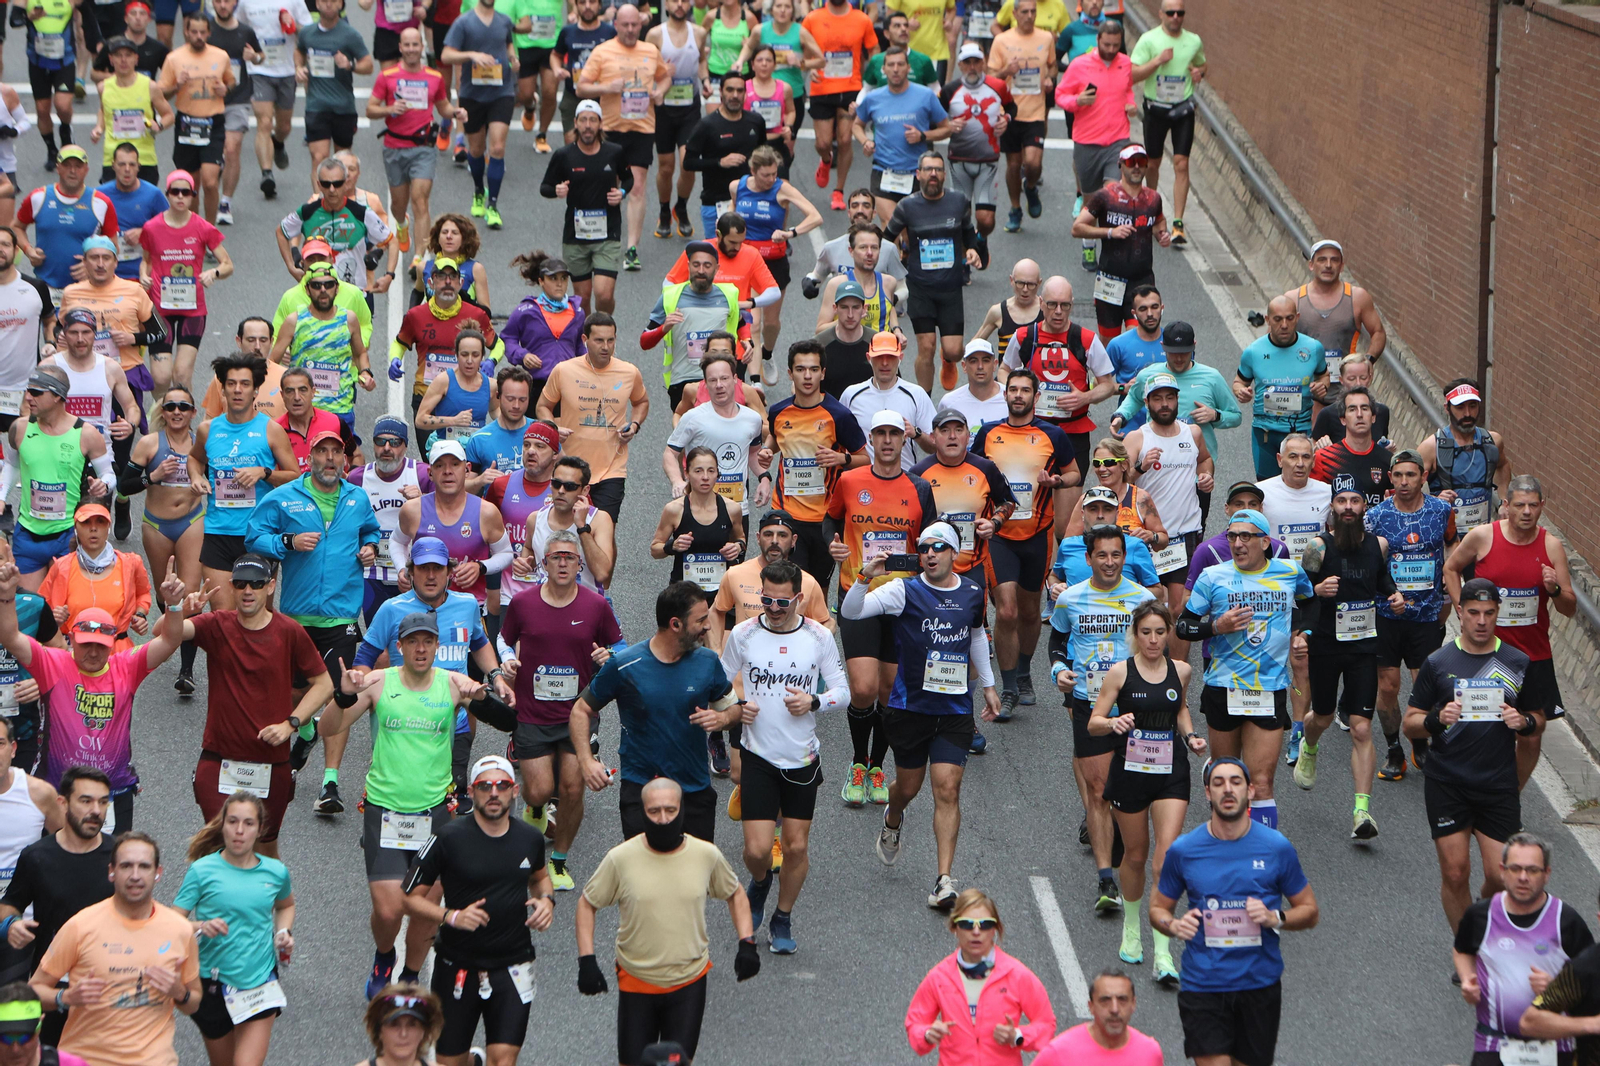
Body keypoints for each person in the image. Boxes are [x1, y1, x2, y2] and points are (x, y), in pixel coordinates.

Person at [319, 611, 509, 997]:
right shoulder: (377, 682)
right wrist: (342, 695)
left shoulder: (452, 684)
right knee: (389, 910)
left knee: (424, 909)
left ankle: (409, 975)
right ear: (399, 646)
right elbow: (329, 727)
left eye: (427, 642)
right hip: (385, 811)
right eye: (412, 642)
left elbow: (508, 723)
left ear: (437, 646)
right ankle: (385, 955)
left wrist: (482, 696)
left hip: (436, 814)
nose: (420, 649)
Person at [846, 521, 1000, 910]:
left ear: (954, 553)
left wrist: (988, 684)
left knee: (947, 789)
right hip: (909, 709)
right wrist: (866, 576)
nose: (929, 554)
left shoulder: (971, 591)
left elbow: (978, 635)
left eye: (938, 547)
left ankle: (944, 880)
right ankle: (893, 815)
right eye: (923, 548)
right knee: (907, 789)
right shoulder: (903, 590)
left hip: (953, 711)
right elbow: (853, 611)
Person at [576, 776, 758, 1066]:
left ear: (682, 809)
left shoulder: (705, 855)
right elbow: (587, 903)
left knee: (679, 1063)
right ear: (642, 812)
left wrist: (746, 942)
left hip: (688, 982)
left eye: (670, 811)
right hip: (637, 982)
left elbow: (735, 893)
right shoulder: (620, 859)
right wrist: (587, 959)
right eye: (654, 811)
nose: (663, 819)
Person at [1149, 758, 1318, 1066]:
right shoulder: (1184, 850)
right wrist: (1172, 926)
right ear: (1207, 794)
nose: (1228, 789)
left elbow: (1309, 911)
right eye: (1218, 783)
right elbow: (1159, 908)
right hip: (1203, 984)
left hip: (1259, 984)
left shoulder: (1276, 848)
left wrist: (1276, 918)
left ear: (1251, 791)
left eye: (1236, 782)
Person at [719, 559, 848, 953]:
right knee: (757, 851)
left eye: (782, 604)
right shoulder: (742, 635)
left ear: (798, 598)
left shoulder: (817, 637)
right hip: (757, 754)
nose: (774, 611)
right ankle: (759, 885)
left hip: (802, 759)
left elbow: (842, 693)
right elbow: (719, 684)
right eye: (767, 602)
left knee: (795, 848)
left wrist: (813, 702)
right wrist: (738, 707)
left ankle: (783, 916)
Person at [1406, 574, 1544, 932]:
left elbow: (1539, 720)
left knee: (1502, 876)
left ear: (1498, 613)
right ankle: (1468, 947)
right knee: (1454, 872)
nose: (1481, 621)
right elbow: (1411, 723)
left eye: (1488, 613)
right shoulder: (1438, 662)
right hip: (1447, 781)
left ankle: (1482, 911)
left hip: (1497, 783)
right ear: (1460, 614)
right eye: (1473, 613)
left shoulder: (1517, 662)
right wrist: (1437, 719)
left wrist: (1524, 721)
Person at [169, 553, 331, 855]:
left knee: (265, 854)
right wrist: (179, 609)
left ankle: (279, 905)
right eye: (241, 584)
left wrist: (291, 724)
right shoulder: (216, 624)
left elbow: (323, 684)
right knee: (217, 851)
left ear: (270, 587)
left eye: (255, 584)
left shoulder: (289, 632)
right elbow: (164, 636)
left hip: (272, 764)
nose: (247, 591)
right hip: (220, 762)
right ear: (231, 587)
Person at [402, 755, 554, 1066]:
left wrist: (546, 901)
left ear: (515, 791)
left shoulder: (529, 838)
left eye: (502, 786)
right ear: (472, 792)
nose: (494, 793)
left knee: (504, 1059)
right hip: (457, 965)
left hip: (513, 963)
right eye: (485, 786)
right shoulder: (448, 838)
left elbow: (540, 878)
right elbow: (409, 898)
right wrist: (451, 916)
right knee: (449, 1062)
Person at [1174, 510, 1313, 830]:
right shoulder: (1213, 577)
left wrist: (1305, 634)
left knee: (1261, 783)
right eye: (1232, 536)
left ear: (1266, 542)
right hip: (1224, 687)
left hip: (1269, 687)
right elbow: (1183, 627)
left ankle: (1261, 854)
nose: (1237, 543)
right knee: (1228, 778)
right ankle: (1226, 845)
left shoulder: (1290, 571)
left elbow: (1310, 602)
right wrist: (1215, 626)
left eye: (1246, 537)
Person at [825, 413, 939, 803]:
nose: (887, 441)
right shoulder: (850, 480)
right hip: (857, 593)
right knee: (863, 688)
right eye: (880, 434)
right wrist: (834, 546)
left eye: (894, 434)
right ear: (871, 439)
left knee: (890, 692)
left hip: (902, 601)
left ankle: (877, 767)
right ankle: (857, 761)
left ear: (903, 439)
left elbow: (933, 542)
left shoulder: (920, 488)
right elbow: (830, 523)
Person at [499, 529, 621, 891]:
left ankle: (558, 860)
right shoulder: (523, 603)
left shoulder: (596, 605)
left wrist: (608, 656)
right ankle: (536, 810)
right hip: (532, 713)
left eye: (570, 557)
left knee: (571, 789)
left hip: (579, 714)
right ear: (544, 564)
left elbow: (621, 644)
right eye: (556, 557)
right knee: (538, 791)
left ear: (579, 564)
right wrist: (506, 661)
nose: (564, 563)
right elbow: (503, 639)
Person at [572, 582, 741, 842]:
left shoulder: (708, 662)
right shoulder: (625, 665)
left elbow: (734, 710)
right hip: (641, 791)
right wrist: (586, 761)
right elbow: (581, 710)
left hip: (694, 791)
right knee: (644, 879)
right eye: (701, 620)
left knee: (694, 879)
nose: (708, 627)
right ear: (675, 624)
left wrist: (722, 718)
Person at [1090, 602, 1200, 984]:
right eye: (1146, 632)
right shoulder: (1120, 672)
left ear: (1169, 632)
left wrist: (1190, 735)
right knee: (1135, 857)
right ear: (1135, 635)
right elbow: (1094, 723)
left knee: (1164, 858)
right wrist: (1113, 722)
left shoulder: (1181, 670)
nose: (1153, 640)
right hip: (1131, 773)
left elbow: (1181, 710)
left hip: (1171, 771)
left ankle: (1164, 951)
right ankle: (1132, 928)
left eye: (1159, 632)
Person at [1292, 477, 1405, 841]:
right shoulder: (1317, 548)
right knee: (1322, 716)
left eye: (1355, 501)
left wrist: (1395, 596)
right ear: (1333, 507)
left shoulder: (1378, 545)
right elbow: (1299, 595)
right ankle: (1309, 745)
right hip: (1326, 644)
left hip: (1362, 645)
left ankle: (1361, 811)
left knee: (1360, 726)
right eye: (1341, 501)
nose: (1348, 507)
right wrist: (1317, 591)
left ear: (1363, 507)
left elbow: (1382, 581)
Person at [1048, 524, 1154, 914]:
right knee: (1097, 790)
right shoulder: (1071, 599)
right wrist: (1057, 670)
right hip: (1088, 705)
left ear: (1124, 558)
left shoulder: (1141, 599)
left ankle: (1123, 845)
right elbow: (1057, 641)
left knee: (1131, 789)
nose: (1109, 562)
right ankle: (1106, 879)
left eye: (1116, 555)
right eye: (1101, 555)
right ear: (1088, 559)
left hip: (1136, 706)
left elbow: (1156, 644)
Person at [1445, 475, 1575, 790]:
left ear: (1542, 506)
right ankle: (1473, 788)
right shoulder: (1482, 537)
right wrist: (1461, 607)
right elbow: (1451, 567)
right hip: (1484, 654)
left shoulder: (1551, 546)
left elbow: (1568, 607)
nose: (1527, 512)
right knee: (1481, 729)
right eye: (1520, 505)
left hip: (1532, 656)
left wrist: (1554, 588)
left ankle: (1510, 794)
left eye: (1533, 505)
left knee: (1530, 736)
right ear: (1507, 506)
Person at [29, 833, 202, 1066]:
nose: (135, 876)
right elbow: (33, 992)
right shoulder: (81, 926)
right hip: (87, 1060)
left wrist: (179, 992)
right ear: (112, 871)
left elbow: (194, 1002)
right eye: (126, 866)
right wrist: (65, 996)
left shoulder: (179, 929)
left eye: (144, 867)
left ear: (157, 873)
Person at [974, 369, 1076, 717]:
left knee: (1031, 610)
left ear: (1036, 396)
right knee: (1006, 610)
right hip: (999, 536)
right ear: (1006, 395)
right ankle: (1008, 686)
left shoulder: (1053, 434)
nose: (1018, 395)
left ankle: (1024, 670)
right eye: (1013, 389)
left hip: (1037, 535)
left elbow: (1075, 472)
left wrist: (1058, 481)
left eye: (1025, 390)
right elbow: (971, 471)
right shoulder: (988, 434)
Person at [173, 792, 295, 1066]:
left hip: (259, 981)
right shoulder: (202, 871)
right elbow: (171, 922)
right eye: (233, 822)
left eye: (249, 823)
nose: (239, 831)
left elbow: (286, 905)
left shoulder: (275, 872)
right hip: (210, 983)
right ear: (223, 825)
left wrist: (283, 932)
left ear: (260, 829)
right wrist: (200, 926)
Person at [1451, 833, 1594, 1065]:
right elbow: (1462, 950)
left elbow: (1592, 985)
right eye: (1515, 869)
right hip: (1494, 1042)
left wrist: (1559, 990)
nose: (1523, 877)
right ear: (1502, 870)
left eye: (1532, 870)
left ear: (1547, 874)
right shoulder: (1481, 916)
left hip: (1554, 1047)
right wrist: (1468, 978)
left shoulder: (1566, 921)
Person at [1367, 449, 1455, 781]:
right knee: (1388, 687)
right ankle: (1394, 751)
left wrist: (1449, 590)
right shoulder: (1376, 516)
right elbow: (1369, 562)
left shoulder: (1442, 510)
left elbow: (1454, 545)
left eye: (1411, 475)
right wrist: (1389, 593)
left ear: (1423, 477)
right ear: (1390, 478)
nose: (1405, 482)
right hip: (1388, 615)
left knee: (1427, 688)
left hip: (1427, 615)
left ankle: (1420, 743)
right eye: (1399, 476)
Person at [189, 353, 300, 610]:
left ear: (255, 390)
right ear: (223, 389)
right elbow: (194, 459)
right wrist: (196, 477)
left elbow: (295, 476)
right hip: (218, 533)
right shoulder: (208, 429)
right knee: (223, 619)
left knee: (257, 618)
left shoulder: (271, 429)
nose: (237, 390)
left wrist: (265, 473)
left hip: (259, 534)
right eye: (231, 384)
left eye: (245, 384)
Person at [1001, 276, 1115, 508]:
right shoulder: (1025, 336)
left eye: (1065, 305)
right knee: (1028, 506)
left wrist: (1085, 397)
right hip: (1031, 431)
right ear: (1041, 303)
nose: (1058, 311)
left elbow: (1108, 384)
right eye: (1052, 304)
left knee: (1066, 520)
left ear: (1072, 305)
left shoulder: (1086, 339)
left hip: (1073, 432)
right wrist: (1017, 392)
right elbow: (1003, 371)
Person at [1110, 320, 1240, 523]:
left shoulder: (1211, 377)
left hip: (1194, 470)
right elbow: (1134, 398)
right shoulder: (1148, 375)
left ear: (1194, 346)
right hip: (1155, 470)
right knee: (1148, 527)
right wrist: (1120, 417)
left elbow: (1236, 416)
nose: (1179, 358)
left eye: (1185, 352)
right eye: (1172, 352)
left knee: (1195, 528)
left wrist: (1215, 416)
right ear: (1163, 347)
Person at [904, 889, 1056, 1062]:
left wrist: (1018, 1035)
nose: (976, 931)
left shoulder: (1017, 974)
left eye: (985, 924)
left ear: (995, 930)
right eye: (967, 924)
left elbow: (1046, 1024)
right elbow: (914, 1023)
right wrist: (927, 1034)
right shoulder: (939, 977)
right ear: (955, 928)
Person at [0, 366, 115, 593]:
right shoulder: (20, 428)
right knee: (30, 609)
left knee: (64, 608)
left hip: (67, 534)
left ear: (57, 396)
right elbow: (12, 464)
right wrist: (2, 496)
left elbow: (109, 475)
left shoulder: (86, 433)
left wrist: (104, 485)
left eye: (36, 392)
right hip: (28, 533)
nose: (28, 397)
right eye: (28, 391)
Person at [764, 339, 866, 591]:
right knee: (788, 585)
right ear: (790, 373)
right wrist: (767, 451)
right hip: (786, 514)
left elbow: (866, 459)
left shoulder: (838, 415)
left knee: (816, 589)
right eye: (800, 369)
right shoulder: (779, 412)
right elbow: (777, 440)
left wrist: (842, 459)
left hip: (824, 520)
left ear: (823, 372)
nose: (807, 376)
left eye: (813, 369)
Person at [575, 4, 671, 273]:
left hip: (642, 128)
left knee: (638, 187)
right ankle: (605, 238)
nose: (630, 30)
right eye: (625, 25)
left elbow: (664, 78)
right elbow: (581, 86)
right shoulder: (602, 51)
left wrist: (660, 91)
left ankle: (631, 248)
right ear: (616, 25)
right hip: (611, 129)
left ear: (641, 26)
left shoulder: (650, 51)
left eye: (634, 25)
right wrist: (607, 87)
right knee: (611, 186)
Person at [1121, 372, 1210, 638]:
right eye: (1157, 398)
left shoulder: (1192, 432)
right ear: (1147, 403)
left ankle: (1174, 665)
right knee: (1148, 606)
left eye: (1169, 398)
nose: (1164, 404)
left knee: (1179, 607)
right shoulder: (1136, 438)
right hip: (1148, 536)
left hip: (1185, 533)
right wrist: (1140, 467)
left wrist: (1206, 476)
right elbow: (1118, 484)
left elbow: (1204, 459)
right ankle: (1149, 661)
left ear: (1177, 400)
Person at [884, 150, 981, 391]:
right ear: (919, 174)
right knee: (925, 347)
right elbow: (887, 239)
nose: (933, 174)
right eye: (928, 169)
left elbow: (969, 233)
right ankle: (924, 401)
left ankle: (948, 360)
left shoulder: (958, 201)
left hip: (950, 288)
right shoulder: (907, 206)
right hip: (920, 287)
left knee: (955, 350)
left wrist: (973, 250)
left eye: (938, 169)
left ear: (944, 175)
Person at [1055, 20, 1142, 272]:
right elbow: (1061, 95)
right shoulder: (1079, 65)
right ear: (1098, 41)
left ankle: (1112, 249)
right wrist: (1077, 100)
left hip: (1117, 139)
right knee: (1091, 200)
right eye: (1107, 44)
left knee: (1113, 195)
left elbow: (1127, 91)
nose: (1111, 49)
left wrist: (1131, 105)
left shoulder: (1125, 63)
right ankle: (1089, 243)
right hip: (1086, 141)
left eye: (1116, 45)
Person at [729, 145, 822, 378]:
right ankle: (755, 380)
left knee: (771, 323)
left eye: (774, 174)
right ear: (753, 170)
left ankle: (767, 354)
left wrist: (790, 233)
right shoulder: (737, 187)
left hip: (774, 263)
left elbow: (815, 216)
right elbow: (729, 218)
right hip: (745, 261)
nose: (771, 179)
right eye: (765, 175)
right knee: (754, 323)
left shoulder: (783, 189)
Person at [367, 27, 456, 265]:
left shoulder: (434, 77)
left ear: (422, 47)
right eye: (406, 45)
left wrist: (456, 112)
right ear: (400, 48)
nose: (411, 49)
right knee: (398, 205)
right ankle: (402, 223)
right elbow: (370, 108)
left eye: (415, 45)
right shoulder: (387, 76)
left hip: (424, 147)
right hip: (394, 146)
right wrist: (389, 109)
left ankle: (420, 256)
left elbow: (443, 106)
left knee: (420, 200)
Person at [1071, 145, 1170, 345]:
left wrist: (1162, 235)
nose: (1136, 167)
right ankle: (1106, 376)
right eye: (1130, 162)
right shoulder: (1105, 196)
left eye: (1141, 162)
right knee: (1110, 341)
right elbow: (1077, 228)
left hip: (1142, 280)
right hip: (1110, 279)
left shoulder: (1153, 198)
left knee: (1138, 336)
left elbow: (1159, 221)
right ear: (1120, 166)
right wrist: (1109, 232)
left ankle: (1135, 377)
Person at [539, 100, 629, 316]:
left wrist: (622, 193)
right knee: (583, 299)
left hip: (608, 233)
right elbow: (545, 187)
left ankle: (606, 327)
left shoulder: (614, 152)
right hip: (576, 236)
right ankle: (589, 339)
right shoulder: (564, 155)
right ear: (576, 124)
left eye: (592, 120)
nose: (588, 125)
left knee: (604, 295)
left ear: (600, 124)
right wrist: (557, 190)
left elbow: (628, 179)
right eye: (583, 120)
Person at [1130, 0, 1205, 243]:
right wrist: (1157, 62)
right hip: (1156, 108)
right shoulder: (1149, 40)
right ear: (1161, 14)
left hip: (1183, 108)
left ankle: (1178, 223)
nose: (1175, 17)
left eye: (1180, 13)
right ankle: (1152, 211)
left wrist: (1199, 73)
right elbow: (1131, 75)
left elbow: (1202, 65)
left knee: (1181, 164)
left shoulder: (1193, 40)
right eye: (1170, 12)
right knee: (1152, 163)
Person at [390, 258, 498, 423]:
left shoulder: (476, 315)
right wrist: (395, 359)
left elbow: (498, 345)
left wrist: (492, 360)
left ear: (461, 283)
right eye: (441, 277)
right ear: (430, 283)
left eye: (453, 277)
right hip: (425, 394)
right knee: (428, 449)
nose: (448, 282)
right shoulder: (415, 315)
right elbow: (399, 343)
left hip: (462, 397)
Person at [1232, 294, 1328, 479]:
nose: (1284, 325)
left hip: (1300, 432)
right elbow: (1239, 381)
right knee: (1267, 488)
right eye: (1277, 319)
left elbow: (1324, 375)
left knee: (1299, 485)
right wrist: (1241, 391)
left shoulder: (1313, 348)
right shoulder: (1253, 352)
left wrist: (1322, 385)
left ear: (1297, 318)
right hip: (1265, 433)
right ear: (1268, 320)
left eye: (1289, 318)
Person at [440, 0, 517, 229]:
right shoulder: (463, 22)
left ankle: (493, 205)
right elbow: (445, 56)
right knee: (475, 149)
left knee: (497, 148)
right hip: (472, 94)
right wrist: (472, 55)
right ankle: (478, 190)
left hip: (502, 92)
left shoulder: (504, 21)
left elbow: (509, 43)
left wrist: (512, 58)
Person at [644, 241, 747, 409]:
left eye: (707, 266)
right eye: (696, 265)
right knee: (689, 433)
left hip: (720, 379)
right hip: (683, 380)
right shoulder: (671, 297)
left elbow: (741, 323)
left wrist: (747, 341)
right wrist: (663, 328)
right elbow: (644, 341)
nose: (701, 270)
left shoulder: (728, 295)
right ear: (688, 266)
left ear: (716, 268)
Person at [855, 49, 951, 226]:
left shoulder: (925, 95)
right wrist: (865, 141)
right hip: (884, 170)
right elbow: (857, 125)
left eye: (900, 64)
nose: (896, 69)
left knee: (914, 228)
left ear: (908, 68)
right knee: (891, 223)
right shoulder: (874, 98)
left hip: (917, 173)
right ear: (884, 69)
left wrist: (923, 135)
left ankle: (906, 252)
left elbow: (947, 128)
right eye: (891, 65)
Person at [37, 503, 150, 653]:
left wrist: (140, 614)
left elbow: (143, 593)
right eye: (86, 522)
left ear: (108, 527)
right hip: (73, 654)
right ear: (76, 528)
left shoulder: (130, 564)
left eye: (100, 522)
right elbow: (39, 609)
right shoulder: (61, 567)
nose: (93, 528)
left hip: (117, 654)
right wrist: (53, 619)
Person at [271, 264, 373, 426]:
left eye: (329, 284)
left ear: (337, 288)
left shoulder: (349, 319)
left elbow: (360, 353)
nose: (323, 289)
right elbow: (272, 363)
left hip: (340, 407)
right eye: (316, 286)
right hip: (304, 408)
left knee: (342, 451)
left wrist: (366, 372)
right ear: (307, 290)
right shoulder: (294, 321)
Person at [15, 145, 118, 305]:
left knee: (83, 331)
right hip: (46, 286)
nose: (73, 171)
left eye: (78, 166)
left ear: (86, 169)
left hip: (87, 288)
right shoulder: (38, 197)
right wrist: (29, 251)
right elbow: (17, 227)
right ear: (58, 168)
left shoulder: (101, 202)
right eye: (67, 165)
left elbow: (114, 247)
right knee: (49, 329)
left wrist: (93, 267)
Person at [276, 156, 393, 297]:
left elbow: (392, 241)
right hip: (318, 295)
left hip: (355, 294)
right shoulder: (307, 211)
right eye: (326, 184)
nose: (332, 189)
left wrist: (389, 275)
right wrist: (291, 267)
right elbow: (281, 231)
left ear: (345, 183)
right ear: (319, 185)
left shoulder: (361, 212)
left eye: (337, 184)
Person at [156, 15, 234, 225]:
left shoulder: (221, 56)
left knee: (210, 182)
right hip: (186, 123)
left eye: (202, 32)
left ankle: (209, 231)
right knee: (192, 185)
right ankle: (194, 228)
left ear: (209, 33)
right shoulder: (174, 58)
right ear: (186, 32)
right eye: (194, 32)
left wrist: (224, 89)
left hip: (213, 122)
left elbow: (231, 81)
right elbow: (162, 92)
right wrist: (177, 85)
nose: (198, 36)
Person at [0, 719, 61, 984]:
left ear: (13, 749)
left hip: (21, 925)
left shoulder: (38, 794)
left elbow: (67, 847)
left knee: (14, 1017)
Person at [802, 0, 877, 212]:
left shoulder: (861, 19)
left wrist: (869, 80)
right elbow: (803, 47)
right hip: (822, 87)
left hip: (850, 86)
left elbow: (874, 51)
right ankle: (826, 160)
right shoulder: (813, 18)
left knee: (845, 140)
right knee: (823, 142)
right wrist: (811, 66)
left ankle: (839, 190)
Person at [653, 444, 745, 609]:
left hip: (721, 594)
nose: (705, 477)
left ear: (718, 474)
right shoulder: (674, 510)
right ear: (687, 474)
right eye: (698, 471)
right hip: (683, 595)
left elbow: (740, 539)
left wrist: (737, 547)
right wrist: (672, 546)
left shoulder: (732, 509)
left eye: (711, 471)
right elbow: (655, 550)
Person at [643, 0, 706, 238]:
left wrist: (706, 80)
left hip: (689, 107)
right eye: (674, 0)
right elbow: (646, 67)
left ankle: (681, 206)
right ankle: (664, 210)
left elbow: (701, 62)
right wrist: (661, 74)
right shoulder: (654, 34)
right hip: (663, 109)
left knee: (688, 163)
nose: (679, 5)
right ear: (666, 5)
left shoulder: (698, 32)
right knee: (666, 168)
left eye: (684, 1)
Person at [987, 0, 1051, 232]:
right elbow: (991, 76)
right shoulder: (1001, 41)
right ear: (1014, 14)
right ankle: (1015, 208)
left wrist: (1049, 78)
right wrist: (1006, 72)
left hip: (1035, 112)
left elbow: (1052, 66)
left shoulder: (1045, 38)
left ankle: (1031, 186)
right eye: (1024, 12)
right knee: (1013, 166)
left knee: (1033, 163)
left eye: (1033, 11)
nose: (1030, 16)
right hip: (1009, 112)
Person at [1418, 378, 1510, 540]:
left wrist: (1504, 501)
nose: (1467, 414)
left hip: (1482, 538)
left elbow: (1502, 466)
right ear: (1447, 408)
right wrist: (1432, 501)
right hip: (1445, 540)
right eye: (1460, 407)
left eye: (1472, 406)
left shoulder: (1492, 442)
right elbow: (1406, 491)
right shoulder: (1431, 447)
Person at [238, 0, 311, 201]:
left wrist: (293, 24)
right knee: (264, 122)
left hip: (287, 70)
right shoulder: (246, 3)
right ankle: (267, 174)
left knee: (284, 126)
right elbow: (238, 26)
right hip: (258, 69)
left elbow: (308, 32)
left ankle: (277, 143)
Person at [1284, 238, 1386, 379]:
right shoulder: (1292, 299)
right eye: (1322, 260)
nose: (1328, 265)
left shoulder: (1358, 297)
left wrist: (1369, 360)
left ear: (1342, 266)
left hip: (1345, 389)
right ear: (1311, 265)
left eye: (1334, 260)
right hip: (1305, 388)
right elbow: (1272, 339)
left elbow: (1378, 332)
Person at [294, 0, 371, 185]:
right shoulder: (307, 33)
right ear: (317, 5)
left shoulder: (350, 35)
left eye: (333, 1)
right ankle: (319, 208)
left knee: (341, 162)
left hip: (343, 106)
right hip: (316, 105)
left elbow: (368, 65)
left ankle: (342, 205)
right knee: (318, 158)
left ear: (340, 5)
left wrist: (349, 65)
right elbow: (299, 50)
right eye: (324, 1)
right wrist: (299, 67)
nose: (328, 5)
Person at [940, 42, 1010, 242]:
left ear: (984, 63)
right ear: (960, 65)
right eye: (967, 62)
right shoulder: (949, 90)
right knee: (960, 216)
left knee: (986, 219)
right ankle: (965, 258)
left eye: (976, 62)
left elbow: (1011, 108)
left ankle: (981, 240)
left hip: (988, 161)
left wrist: (1006, 120)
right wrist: (949, 125)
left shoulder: (998, 86)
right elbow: (936, 118)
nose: (972, 67)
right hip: (958, 161)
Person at [204, 0, 262, 225]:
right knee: (211, 154)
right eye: (218, 1)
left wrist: (254, 57)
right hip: (208, 100)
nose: (223, 5)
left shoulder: (245, 31)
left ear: (235, 3)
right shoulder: (205, 30)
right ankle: (212, 186)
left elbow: (260, 55)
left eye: (227, 1)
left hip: (237, 98)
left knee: (232, 148)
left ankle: (226, 201)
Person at [1030, 969, 1163, 1066]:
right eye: (1105, 1000)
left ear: (1133, 1004)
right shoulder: (1058, 1053)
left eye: (1122, 999)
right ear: (1091, 1006)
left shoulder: (1150, 1053)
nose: (1114, 1009)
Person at [502, 253, 585, 407]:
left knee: (567, 430)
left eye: (563, 278)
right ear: (541, 281)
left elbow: (581, 346)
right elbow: (507, 339)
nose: (559, 284)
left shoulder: (577, 312)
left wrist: (592, 366)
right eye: (553, 278)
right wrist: (523, 355)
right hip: (536, 385)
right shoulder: (526, 310)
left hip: (569, 386)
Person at [90, 37, 171, 185]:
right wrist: (98, 128)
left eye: (128, 55)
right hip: (113, 158)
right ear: (111, 59)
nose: (123, 60)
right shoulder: (103, 87)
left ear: (136, 59)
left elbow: (169, 115)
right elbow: (103, 110)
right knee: (113, 206)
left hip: (143, 157)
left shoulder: (150, 86)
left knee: (145, 206)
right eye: (118, 55)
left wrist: (158, 126)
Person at [804, 188, 906, 291]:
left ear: (874, 213)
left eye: (866, 206)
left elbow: (902, 289)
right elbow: (817, 276)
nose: (860, 210)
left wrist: (890, 299)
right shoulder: (831, 248)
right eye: (855, 206)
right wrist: (809, 282)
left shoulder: (889, 249)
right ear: (849, 213)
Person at [1308, 386, 1392, 508]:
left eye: (1364, 408)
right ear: (1343, 419)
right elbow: (1312, 505)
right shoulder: (1323, 459)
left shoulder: (1388, 461)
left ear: (1373, 417)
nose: (1359, 414)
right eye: (1352, 409)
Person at [414, 327, 493, 454]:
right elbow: (420, 420)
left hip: (476, 452)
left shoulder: (490, 385)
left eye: (475, 355)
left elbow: (498, 414)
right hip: (447, 453)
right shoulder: (443, 381)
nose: (469, 361)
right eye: (464, 354)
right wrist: (454, 421)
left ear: (482, 356)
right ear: (456, 355)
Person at [550, 0, 614, 146]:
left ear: (599, 5)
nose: (587, 7)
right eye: (582, 2)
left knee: (602, 144)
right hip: (573, 95)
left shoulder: (610, 32)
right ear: (576, 6)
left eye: (592, 2)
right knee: (572, 144)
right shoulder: (568, 32)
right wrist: (557, 69)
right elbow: (556, 55)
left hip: (602, 96)